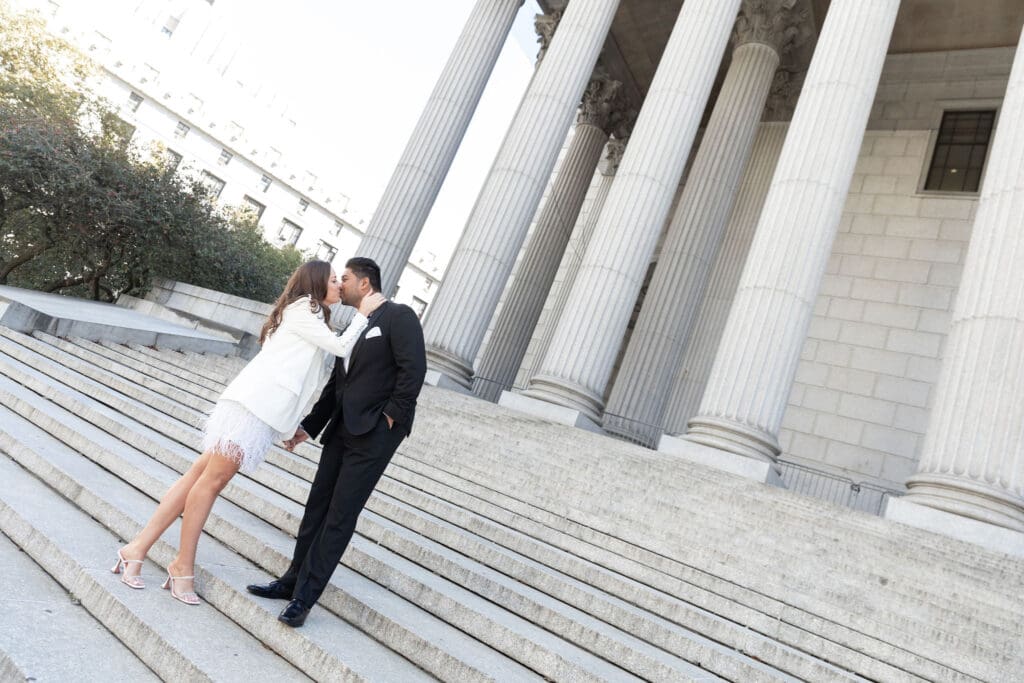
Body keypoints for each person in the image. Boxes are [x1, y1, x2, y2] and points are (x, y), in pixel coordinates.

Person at [112, 259, 384, 605]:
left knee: (197, 477)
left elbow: (295, 377)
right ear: (316, 284)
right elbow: (342, 348)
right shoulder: (305, 308)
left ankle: (135, 549)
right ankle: (182, 565)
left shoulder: (309, 314)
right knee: (211, 483)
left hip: (254, 407)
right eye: (333, 281)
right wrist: (364, 314)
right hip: (251, 409)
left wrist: (289, 426)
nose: (339, 287)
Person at [246, 256, 426, 627]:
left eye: (344, 278)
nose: (338, 284)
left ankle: (305, 598)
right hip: (340, 431)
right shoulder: (352, 327)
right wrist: (309, 427)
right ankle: (291, 580)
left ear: (365, 284)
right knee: (317, 508)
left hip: (375, 433)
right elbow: (337, 386)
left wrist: (391, 418)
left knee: (340, 517)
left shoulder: (399, 316)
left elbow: (414, 370)